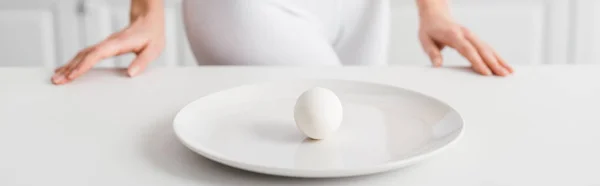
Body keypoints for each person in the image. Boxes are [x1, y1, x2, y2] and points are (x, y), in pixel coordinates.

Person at [51, 0, 514, 85]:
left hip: (360, 9)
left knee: (357, 154)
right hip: (246, 9)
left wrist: (433, 9)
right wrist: (147, 13)